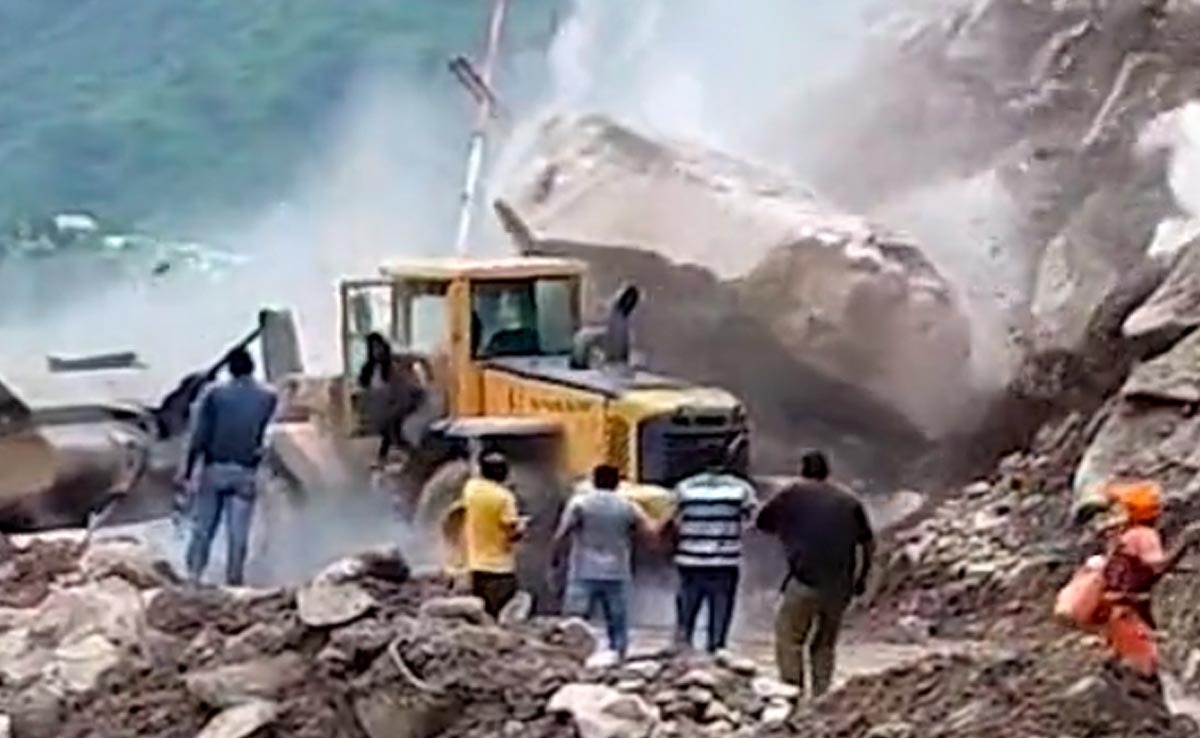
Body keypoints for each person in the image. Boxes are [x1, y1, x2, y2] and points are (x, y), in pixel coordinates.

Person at [755, 450, 873, 699]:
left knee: (789, 639)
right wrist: (862, 578)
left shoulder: (791, 495)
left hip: (803, 580)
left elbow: (762, 523)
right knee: (825, 643)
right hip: (840, 585)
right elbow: (868, 542)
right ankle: (822, 697)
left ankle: (792, 692)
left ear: (803, 470)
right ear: (827, 472)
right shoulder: (849, 500)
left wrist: (788, 530)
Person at [178, 347, 277, 586]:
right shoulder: (269, 396)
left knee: (203, 529)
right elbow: (268, 436)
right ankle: (234, 580)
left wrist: (187, 470)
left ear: (230, 369)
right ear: (252, 367)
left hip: (215, 470)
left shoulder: (214, 394)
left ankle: (193, 577)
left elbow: (198, 435)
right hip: (246, 472)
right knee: (238, 534)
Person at [1096, 481, 1200, 686]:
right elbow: (1157, 567)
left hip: (1114, 601)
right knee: (1147, 663)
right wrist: (1185, 542)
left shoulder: (1122, 535)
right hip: (1131, 603)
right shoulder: (1144, 536)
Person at [553, 464, 652, 659]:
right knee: (618, 621)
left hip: (583, 570)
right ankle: (619, 657)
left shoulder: (580, 503)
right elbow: (648, 532)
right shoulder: (628, 505)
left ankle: (572, 659)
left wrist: (555, 558)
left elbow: (562, 534)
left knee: (576, 620)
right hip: (617, 571)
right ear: (617, 483)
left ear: (594, 480)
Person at [671, 441, 756, 653]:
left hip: (689, 561)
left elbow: (673, 520)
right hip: (724, 562)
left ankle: (683, 651)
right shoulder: (740, 489)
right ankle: (717, 652)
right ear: (726, 461)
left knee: (687, 612)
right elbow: (751, 520)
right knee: (720, 611)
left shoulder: (684, 487)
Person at [462, 452, 526, 617]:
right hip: (500, 568)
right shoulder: (505, 498)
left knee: (482, 614)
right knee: (501, 614)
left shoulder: (471, 488)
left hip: (476, 565)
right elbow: (512, 533)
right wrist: (522, 527)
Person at [358, 332, 422, 467]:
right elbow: (366, 386)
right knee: (389, 432)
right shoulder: (370, 368)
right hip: (384, 404)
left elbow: (418, 360)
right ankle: (404, 454)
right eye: (374, 348)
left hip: (401, 400)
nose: (377, 351)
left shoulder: (394, 363)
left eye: (379, 347)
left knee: (393, 431)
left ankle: (407, 455)